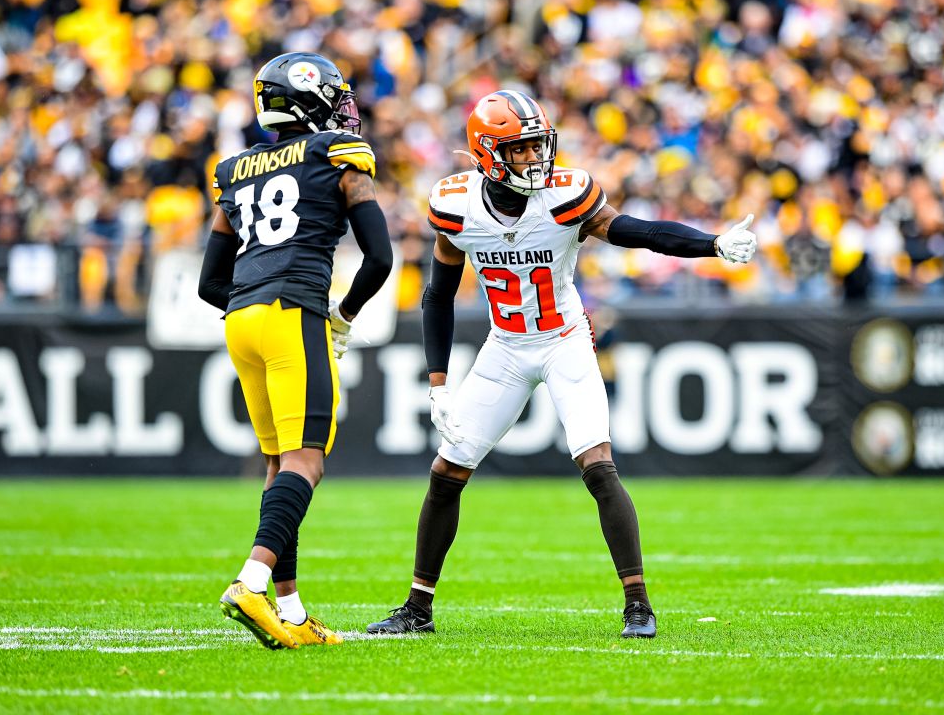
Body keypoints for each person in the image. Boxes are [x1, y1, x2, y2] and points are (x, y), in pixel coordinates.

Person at [366, 90, 756, 639]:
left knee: (597, 465)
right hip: (505, 346)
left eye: (537, 146)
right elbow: (438, 295)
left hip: (563, 339)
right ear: (487, 152)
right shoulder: (456, 205)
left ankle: (638, 605)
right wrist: (437, 383)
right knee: (447, 471)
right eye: (521, 149)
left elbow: (637, 233)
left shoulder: (566, 196)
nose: (534, 158)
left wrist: (713, 244)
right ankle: (416, 609)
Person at [198, 52, 393, 649]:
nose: (342, 109)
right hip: (292, 314)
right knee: (307, 461)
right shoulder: (336, 155)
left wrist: (257, 296)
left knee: (280, 463)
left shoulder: (234, 169)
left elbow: (210, 283)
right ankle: (252, 581)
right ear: (308, 100)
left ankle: (291, 610)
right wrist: (342, 314)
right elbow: (380, 258)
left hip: (241, 320)